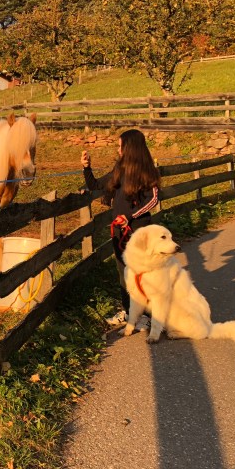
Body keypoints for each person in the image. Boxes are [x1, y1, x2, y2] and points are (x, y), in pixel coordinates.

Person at [81, 129, 160, 328]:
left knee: (141, 274)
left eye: (120, 146)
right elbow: (96, 185)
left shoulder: (147, 172)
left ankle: (147, 316)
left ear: (130, 148)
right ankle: (129, 311)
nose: (118, 150)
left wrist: (130, 216)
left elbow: (153, 200)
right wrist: (86, 168)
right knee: (124, 273)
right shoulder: (119, 170)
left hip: (139, 232)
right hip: (119, 232)